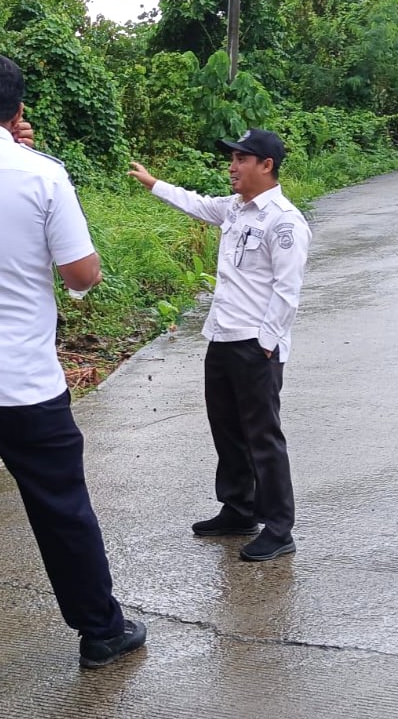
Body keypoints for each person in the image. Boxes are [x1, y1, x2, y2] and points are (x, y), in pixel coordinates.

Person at [0, 53, 146, 716]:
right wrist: (27, 160)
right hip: (23, 385)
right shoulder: (43, 175)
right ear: (18, 113)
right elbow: (82, 274)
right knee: (61, 509)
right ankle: (100, 631)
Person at [128, 128, 311, 563]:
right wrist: (153, 183)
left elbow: (287, 291)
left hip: (255, 346)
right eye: (232, 159)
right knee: (226, 430)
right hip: (222, 337)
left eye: (241, 159)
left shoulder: (284, 221)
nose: (232, 166)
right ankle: (238, 509)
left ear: (266, 165)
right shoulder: (234, 208)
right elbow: (194, 202)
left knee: (262, 437)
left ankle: (279, 528)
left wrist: (266, 344)